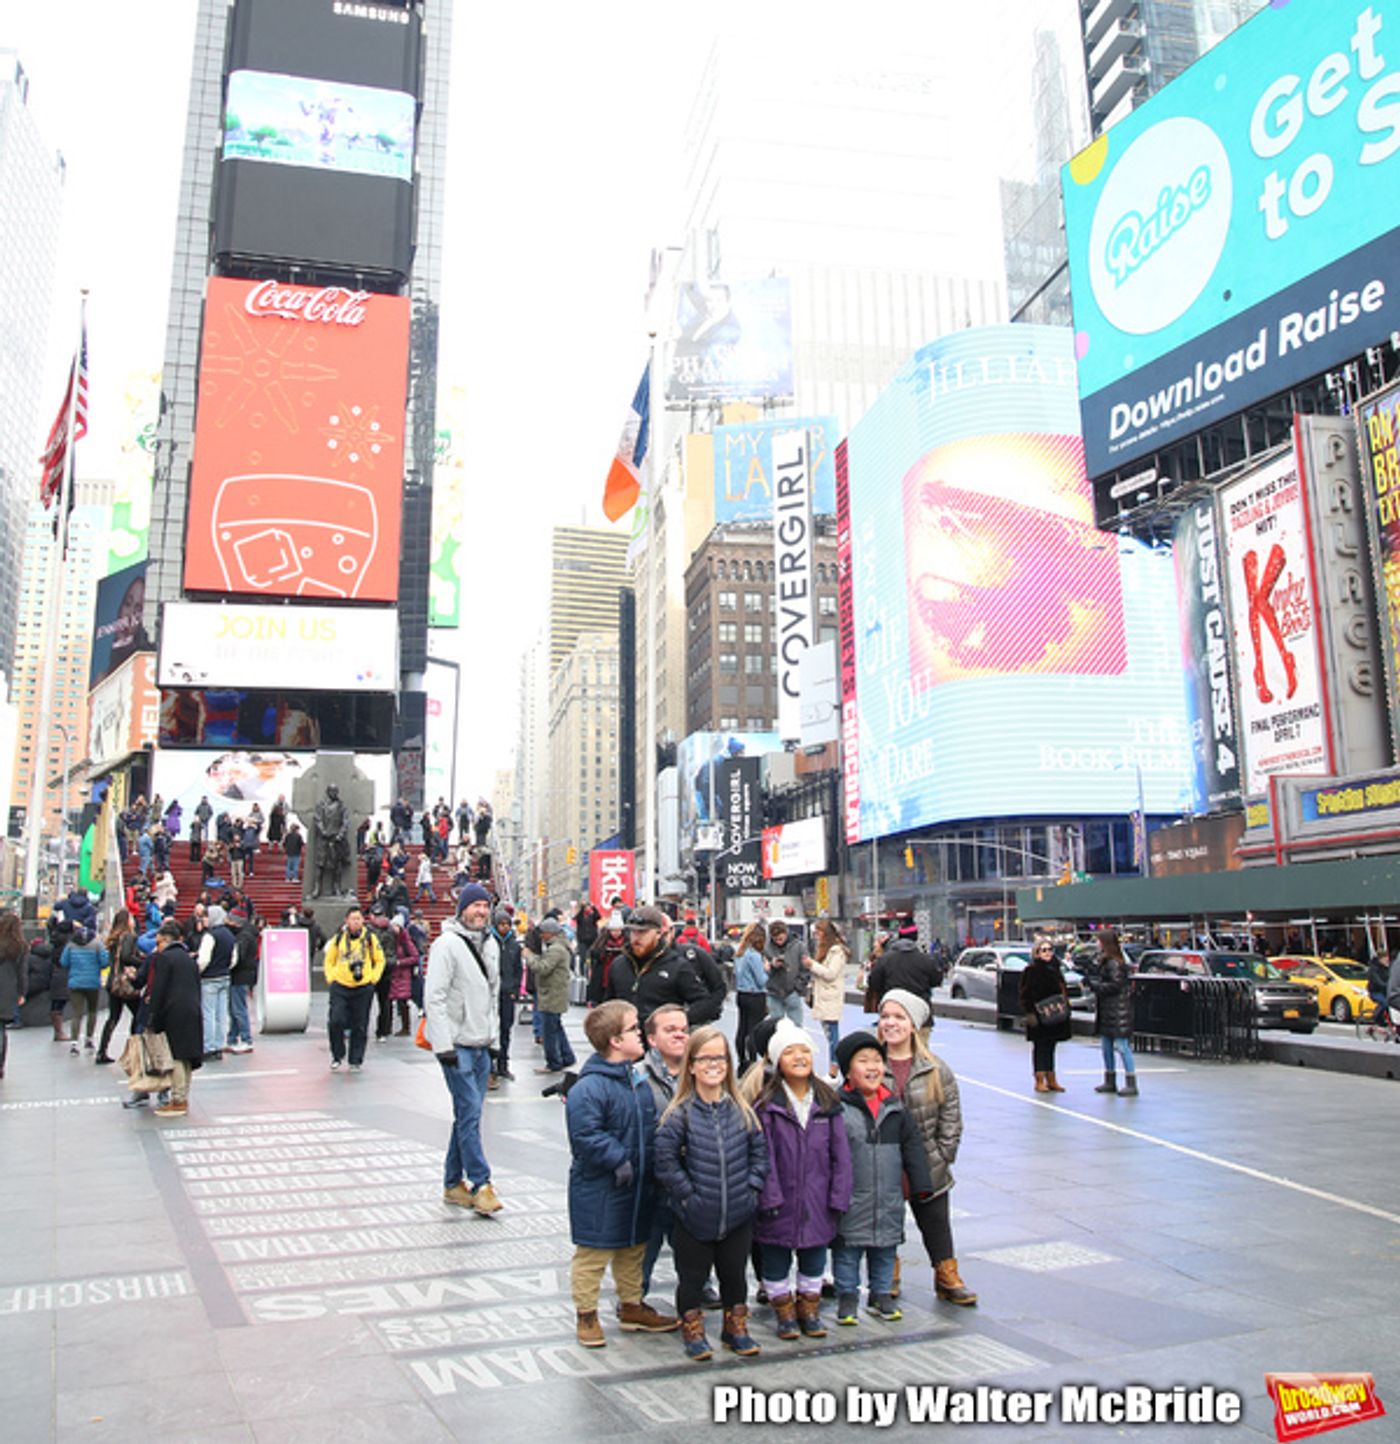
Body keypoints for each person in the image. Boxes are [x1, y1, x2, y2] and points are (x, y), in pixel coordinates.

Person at [565, 999, 680, 1348]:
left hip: (637, 1186)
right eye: (633, 1028)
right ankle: (586, 1315)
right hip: (602, 1188)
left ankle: (632, 1306)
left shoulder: (636, 1079)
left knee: (634, 1250)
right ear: (615, 1040)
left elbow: (648, 1124)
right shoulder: (590, 1087)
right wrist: (619, 1159)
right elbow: (585, 1135)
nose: (640, 1033)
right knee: (594, 1255)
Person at [653, 1027, 768, 1362]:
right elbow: (666, 1163)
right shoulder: (679, 1115)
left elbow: (760, 1155)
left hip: (737, 1212)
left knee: (735, 1276)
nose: (713, 1065)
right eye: (705, 1058)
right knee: (692, 1278)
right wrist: (688, 1198)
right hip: (694, 1216)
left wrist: (751, 1190)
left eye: (720, 1058)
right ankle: (693, 1330)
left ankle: (736, 1328)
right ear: (691, 1065)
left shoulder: (742, 1111)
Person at [753, 1019, 853, 1341]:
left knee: (814, 1260)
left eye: (805, 1051)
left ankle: (809, 1309)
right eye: (790, 1052)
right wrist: (768, 1197)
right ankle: (784, 1312)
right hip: (778, 1204)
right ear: (777, 1061)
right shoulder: (767, 1107)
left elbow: (841, 1157)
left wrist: (839, 1196)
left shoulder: (828, 1104)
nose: (799, 1057)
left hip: (817, 1201)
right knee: (776, 1261)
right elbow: (763, 1157)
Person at [876, 989, 976, 1307]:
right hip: (883, 1161)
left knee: (935, 1219)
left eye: (899, 1017)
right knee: (886, 1220)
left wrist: (942, 1154)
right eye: (885, 1016)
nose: (891, 1023)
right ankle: (886, 1272)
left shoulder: (934, 1068)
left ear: (914, 1024)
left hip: (927, 1161)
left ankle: (946, 1273)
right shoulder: (869, 1063)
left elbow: (951, 1117)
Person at [832, 1030, 934, 1325]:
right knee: (847, 1252)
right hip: (851, 1197)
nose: (873, 1067)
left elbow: (913, 1147)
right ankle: (847, 1297)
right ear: (849, 1070)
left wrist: (921, 1185)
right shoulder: (837, 1108)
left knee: (886, 1249)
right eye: (863, 1061)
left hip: (888, 1197)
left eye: (877, 1060)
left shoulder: (895, 1107)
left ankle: (881, 1294)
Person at [425, 883, 503, 1215]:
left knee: (467, 1116)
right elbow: (435, 996)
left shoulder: (492, 945)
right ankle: (482, 1183)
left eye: (485, 906)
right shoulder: (446, 944)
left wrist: (495, 1040)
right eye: (475, 906)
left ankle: (452, 1184)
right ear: (462, 909)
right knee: (470, 1112)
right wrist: (443, 1044)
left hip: (482, 1044)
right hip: (456, 1046)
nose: (481, 912)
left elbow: (494, 997)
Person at [607, 906, 709, 1024]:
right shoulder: (618, 965)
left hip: (662, 1039)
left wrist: (676, 1023)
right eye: (632, 932)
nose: (636, 937)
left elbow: (703, 1003)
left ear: (658, 933)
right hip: (628, 1039)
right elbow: (609, 1005)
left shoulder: (677, 966)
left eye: (643, 932)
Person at [147, 919, 203, 1119]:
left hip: (174, 1011)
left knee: (177, 1055)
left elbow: (158, 990)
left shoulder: (165, 959)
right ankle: (183, 1096)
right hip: (192, 1009)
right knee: (186, 1056)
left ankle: (178, 1099)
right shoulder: (188, 959)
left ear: (165, 941)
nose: (157, 947)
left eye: (159, 942)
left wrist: (152, 1015)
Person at [323, 907, 386, 1072]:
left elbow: (380, 960)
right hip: (340, 985)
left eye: (359, 918)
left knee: (360, 1024)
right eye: (353, 918)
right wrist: (331, 977)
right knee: (336, 1020)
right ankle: (337, 1054)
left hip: (363, 986)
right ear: (346, 921)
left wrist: (373, 978)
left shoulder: (370, 939)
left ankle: (355, 1059)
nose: (356, 922)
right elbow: (329, 960)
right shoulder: (338, 939)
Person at [1019, 936, 1071, 1094]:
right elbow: (1024, 994)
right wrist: (1030, 1013)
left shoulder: (1056, 969)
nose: (1048, 953)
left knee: (1051, 1046)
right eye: (1044, 950)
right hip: (1039, 1014)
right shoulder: (1031, 970)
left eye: (1050, 950)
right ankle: (1039, 1079)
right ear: (1037, 953)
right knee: (1040, 1047)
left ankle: (1052, 1078)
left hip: (1055, 1014)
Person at [1089, 930, 1138, 1096]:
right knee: (1108, 1045)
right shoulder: (1110, 961)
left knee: (1121, 1046)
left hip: (1117, 1009)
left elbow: (1115, 985)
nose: (1097, 944)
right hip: (1112, 1008)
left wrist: (1095, 986)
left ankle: (1128, 1081)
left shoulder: (1113, 963)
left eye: (1099, 941)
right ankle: (1111, 1080)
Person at [96, 909, 143, 1065]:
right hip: (125, 982)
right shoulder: (129, 936)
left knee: (113, 1017)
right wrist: (142, 962)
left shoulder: (113, 938)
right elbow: (126, 957)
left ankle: (102, 1051)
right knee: (138, 1013)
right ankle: (133, 1048)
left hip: (113, 982)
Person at [532, 917, 578, 1074]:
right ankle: (567, 1056)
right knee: (556, 1027)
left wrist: (529, 957)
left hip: (552, 994)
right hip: (556, 993)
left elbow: (543, 968)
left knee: (549, 1031)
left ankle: (553, 1062)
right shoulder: (560, 947)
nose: (541, 936)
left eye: (543, 933)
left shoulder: (555, 949)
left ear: (549, 933)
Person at [866, 920, 944, 1009]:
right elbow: (937, 980)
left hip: (893, 1007)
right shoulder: (927, 960)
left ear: (899, 936)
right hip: (920, 1009)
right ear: (916, 937)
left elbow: (873, 982)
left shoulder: (884, 959)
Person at [808, 919, 850, 1080]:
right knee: (829, 1034)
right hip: (824, 997)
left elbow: (830, 974)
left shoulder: (836, 952)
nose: (817, 936)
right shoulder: (826, 950)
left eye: (819, 933)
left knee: (833, 1036)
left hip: (830, 997)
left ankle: (835, 1069)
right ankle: (834, 1068)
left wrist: (812, 965)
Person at [196, 904, 237, 1061]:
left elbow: (204, 959)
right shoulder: (229, 935)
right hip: (225, 977)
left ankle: (208, 1047)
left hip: (209, 978)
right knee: (221, 1014)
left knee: (208, 1013)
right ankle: (219, 1045)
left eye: (206, 916)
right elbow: (233, 959)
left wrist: (198, 971)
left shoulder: (210, 936)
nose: (204, 919)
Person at [60, 926, 108, 1056]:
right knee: (92, 1011)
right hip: (92, 983)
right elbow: (104, 962)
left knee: (77, 1014)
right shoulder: (97, 944)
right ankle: (89, 1039)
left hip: (75, 983)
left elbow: (63, 962)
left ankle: (74, 1043)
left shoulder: (70, 945)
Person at [491, 904, 522, 1087]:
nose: (504, 927)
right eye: (501, 924)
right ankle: (491, 1067)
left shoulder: (514, 945)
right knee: (492, 1030)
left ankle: (503, 1064)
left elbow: (518, 969)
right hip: (493, 993)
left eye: (507, 924)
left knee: (506, 1029)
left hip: (508, 992)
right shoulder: (490, 942)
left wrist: (515, 989)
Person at [733, 923, 769, 1071]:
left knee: (742, 1029)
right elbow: (761, 980)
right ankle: (753, 1062)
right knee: (754, 1030)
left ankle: (742, 1061)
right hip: (755, 995)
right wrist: (767, 969)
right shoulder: (754, 955)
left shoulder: (740, 953)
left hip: (741, 994)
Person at [0, 909, 27, 1079]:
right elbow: (22, 972)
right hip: (8, 990)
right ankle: (0, 1065)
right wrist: (22, 993)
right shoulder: (21, 946)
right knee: (2, 1029)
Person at [227, 911, 260, 1053]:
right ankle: (232, 1038)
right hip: (245, 974)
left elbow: (238, 956)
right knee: (236, 1008)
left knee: (238, 1008)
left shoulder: (243, 937)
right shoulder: (249, 934)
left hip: (240, 975)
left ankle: (246, 1039)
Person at [764, 920, 806, 1025]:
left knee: (796, 1027)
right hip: (774, 991)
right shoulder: (767, 947)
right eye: (775, 939)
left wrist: (798, 987)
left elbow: (805, 968)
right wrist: (772, 965)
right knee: (775, 1027)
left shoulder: (799, 946)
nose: (778, 941)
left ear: (786, 933)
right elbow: (763, 966)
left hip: (792, 990)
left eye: (781, 939)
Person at [585, 913, 628, 1007]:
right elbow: (594, 953)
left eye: (618, 930)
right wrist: (604, 954)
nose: (616, 933)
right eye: (613, 931)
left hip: (621, 976)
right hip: (604, 976)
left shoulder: (627, 941)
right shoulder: (602, 941)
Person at [386, 916, 418, 1037]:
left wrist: (400, 962)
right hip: (392, 973)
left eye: (396, 926)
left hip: (403, 975)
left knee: (402, 1001)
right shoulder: (389, 939)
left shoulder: (406, 941)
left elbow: (414, 957)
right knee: (388, 1000)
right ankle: (387, 1027)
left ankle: (406, 1027)